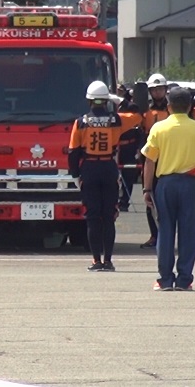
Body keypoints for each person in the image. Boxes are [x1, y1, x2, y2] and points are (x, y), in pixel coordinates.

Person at [141, 86, 195, 291]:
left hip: (165, 183)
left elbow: (149, 161)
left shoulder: (159, 128)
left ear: (168, 106)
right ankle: (184, 279)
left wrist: (147, 189)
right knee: (188, 232)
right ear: (190, 106)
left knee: (165, 230)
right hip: (189, 183)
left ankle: (165, 279)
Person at [68, 81, 142, 272]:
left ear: (89, 100)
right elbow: (139, 114)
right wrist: (123, 100)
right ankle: (108, 260)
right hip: (109, 168)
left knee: (92, 217)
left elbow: (73, 152)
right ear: (107, 100)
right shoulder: (116, 120)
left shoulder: (81, 122)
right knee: (108, 217)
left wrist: (76, 174)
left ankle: (95, 260)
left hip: (90, 169)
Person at [139, 73, 169, 248]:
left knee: (166, 198)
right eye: (154, 90)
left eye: (160, 89)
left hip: (167, 156)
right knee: (149, 195)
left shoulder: (172, 108)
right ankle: (153, 235)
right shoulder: (145, 111)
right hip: (150, 156)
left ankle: (166, 233)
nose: (157, 92)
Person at [116, 83, 144, 213]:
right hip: (114, 147)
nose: (118, 92)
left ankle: (124, 202)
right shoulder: (109, 106)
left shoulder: (128, 107)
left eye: (120, 90)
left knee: (128, 175)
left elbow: (139, 129)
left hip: (129, 146)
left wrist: (139, 148)